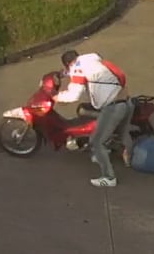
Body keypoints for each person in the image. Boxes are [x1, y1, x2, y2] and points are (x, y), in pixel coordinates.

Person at [54, 50, 134, 188]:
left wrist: (57, 97)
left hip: (113, 107)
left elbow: (74, 94)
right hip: (126, 101)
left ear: (68, 64)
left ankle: (109, 178)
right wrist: (62, 74)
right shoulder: (91, 60)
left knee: (97, 142)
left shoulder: (78, 67)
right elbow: (79, 72)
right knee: (122, 133)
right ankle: (131, 160)